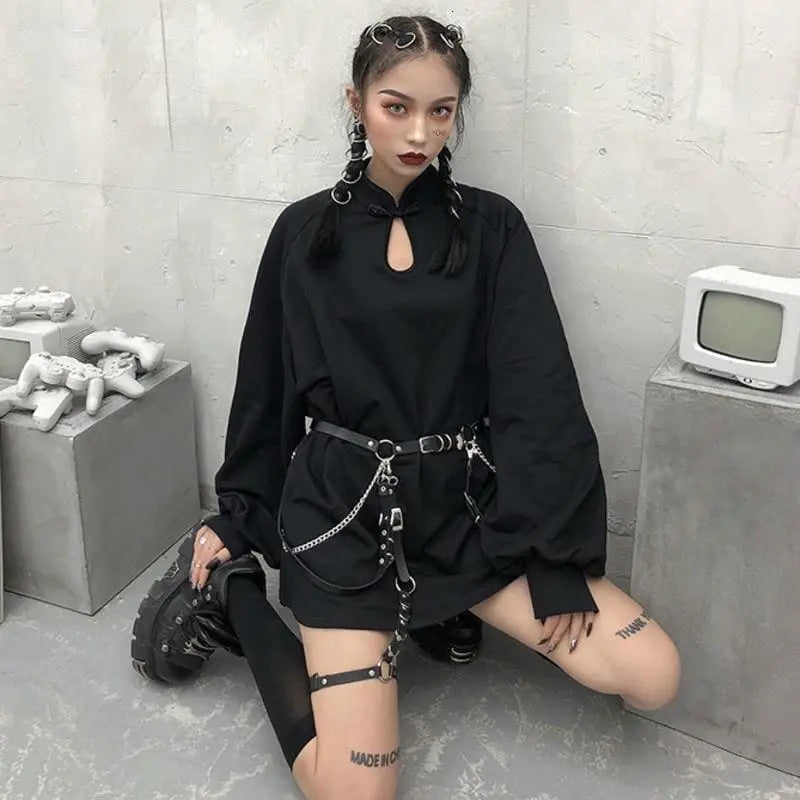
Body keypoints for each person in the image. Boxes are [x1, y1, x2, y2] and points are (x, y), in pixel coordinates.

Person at [130, 15, 681, 800]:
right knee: (355, 792)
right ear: (356, 103)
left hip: (464, 515)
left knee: (652, 675)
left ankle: (442, 610)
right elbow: (267, 387)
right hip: (342, 517)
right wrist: (240, 515)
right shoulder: (303, 233)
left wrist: (555, 561)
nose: (420, 132)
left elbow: (538, 394)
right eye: (397, 106)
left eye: (441, 110)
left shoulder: (492, 228)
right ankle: (235, 595)